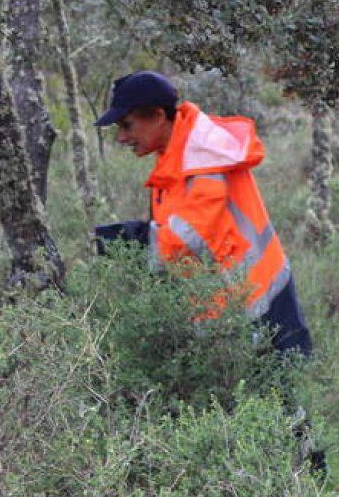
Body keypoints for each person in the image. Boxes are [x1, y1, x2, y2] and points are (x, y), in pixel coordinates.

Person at [94, 70, 312, 357]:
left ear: (158, 116)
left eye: (126, 125)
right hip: (231, 306)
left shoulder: (202, 157)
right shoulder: (177, 153)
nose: (122, 137)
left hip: (261, 303)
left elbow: (189, 238)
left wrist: (125, 240)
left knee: (282, 383)